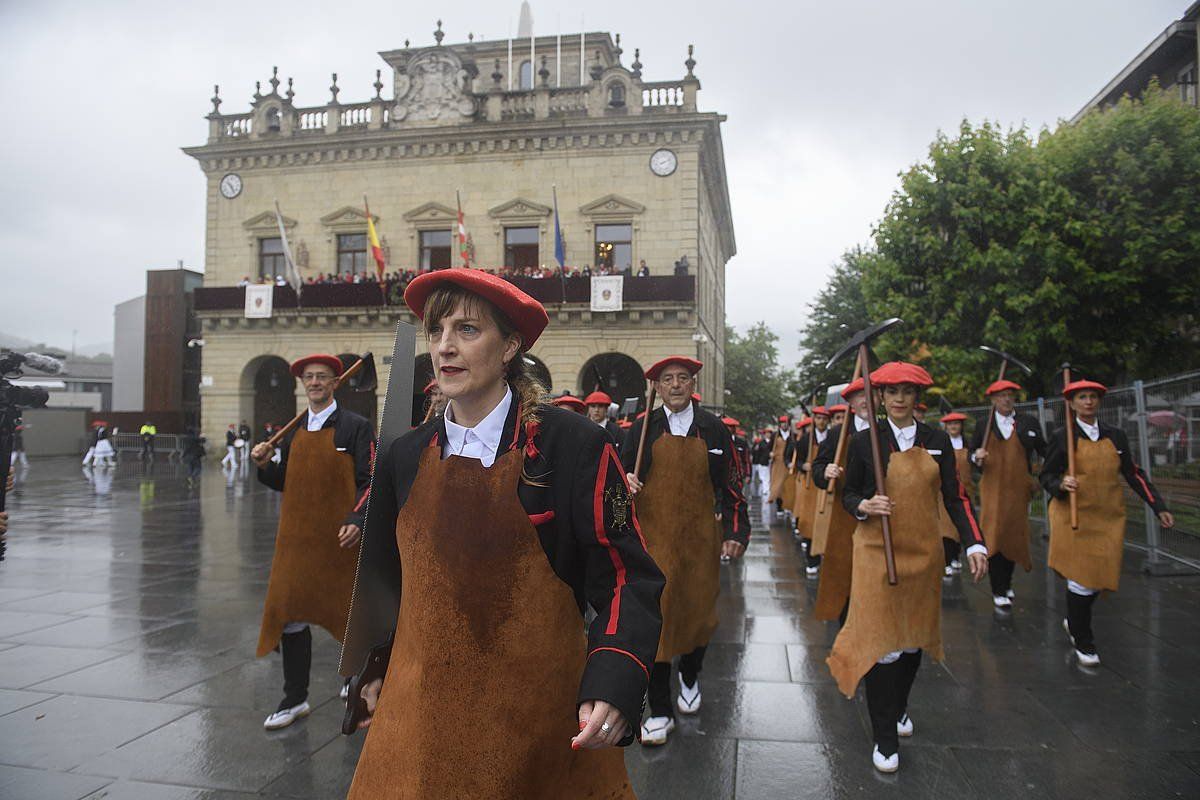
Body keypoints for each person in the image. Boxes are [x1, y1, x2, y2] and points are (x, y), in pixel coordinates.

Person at [344, 269, 662, 798]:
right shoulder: (403, 454)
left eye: (467, 330)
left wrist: (613, 680)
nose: (446, 347)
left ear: (511, 344)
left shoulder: (575, 446)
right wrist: (373, 668)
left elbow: (626, 575)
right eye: (436, 330)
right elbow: (387, 577)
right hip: (422, 707)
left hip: (536, 712)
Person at [826, 362, 988, 774]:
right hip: (876, 552)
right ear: (880, 398)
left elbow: (956, 497)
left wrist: (975, 542)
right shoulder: (866, 442)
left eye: (907, 392)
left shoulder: (937, 441)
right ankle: (884, 735)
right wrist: (863, 505)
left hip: (922, 553)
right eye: (892, 391)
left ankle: (898, 706)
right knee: (884, 643)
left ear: (918, 399)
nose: (899, 398)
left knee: (913, 641)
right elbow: (849, 494)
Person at [620, 356, 750, 746]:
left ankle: (691, 673)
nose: (675, 385)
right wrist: (624, 481)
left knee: (697, 612)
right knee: (656, 621)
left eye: (682, 379)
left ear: (694, 385)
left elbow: (732, 486)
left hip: (699, 541)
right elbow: (620, 479)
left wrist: (736, 532)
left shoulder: (713, 429)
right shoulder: (643, 429)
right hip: (654, 540)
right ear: (657, 388)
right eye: (667, 380)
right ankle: (660, 709)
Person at [249, 353, 375, 731]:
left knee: (347, 612)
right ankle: (294, 698)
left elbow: (371, 478)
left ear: (335, 383)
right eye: (309, 378)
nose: (315, 383)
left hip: (341, 541)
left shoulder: (356, 427)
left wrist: (356, 518)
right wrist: (263, 466)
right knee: (289, 613)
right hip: (298, 542)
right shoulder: (294, 430)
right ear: (303, 384)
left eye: (322, 377)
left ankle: (354, 679)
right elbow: (287, 481)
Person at [1040, 379, 1173, 668]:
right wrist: (1061, 482)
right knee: (1081, 577)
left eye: (1093, 397)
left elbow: (1133, 474)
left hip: (1107, 516)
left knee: (1099, 577)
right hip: (1072, 516)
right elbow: (1046, 476)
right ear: (1072, 403)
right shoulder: (1063, 436)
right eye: (1082, 397)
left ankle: (1074, 619)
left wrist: (1157, 506)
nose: (1088, 402)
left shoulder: (1116, 436)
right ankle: (1082, 638)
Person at [970, 380, 1047, 610]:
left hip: (1017, 490)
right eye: (1001, 395)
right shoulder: (984, 425)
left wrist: (1040, 479)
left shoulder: (1028, 423)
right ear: (993, 399)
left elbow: (1046, 451)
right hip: (992, 490)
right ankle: (998, 588)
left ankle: (1007, 581)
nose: (1006, 399)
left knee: (1013, 535)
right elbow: (971, 454)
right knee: (994, 535)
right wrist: (977, 456)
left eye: (1010, 395)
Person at [811, 379, 872, 624]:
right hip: (843, 516)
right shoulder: (838, 433)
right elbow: (817, 467)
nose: (866, 400)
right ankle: (846, 621)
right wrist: (825, 472)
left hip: (876, 514)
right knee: (844, 570)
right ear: (851, 403)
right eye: (859, 396)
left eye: (870, 394)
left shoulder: (885, 431)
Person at [938, 412, 973, 576]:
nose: (953, 427)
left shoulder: (968, 445)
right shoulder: (942, 444)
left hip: (965, 488)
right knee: (946, 527)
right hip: (946, 490)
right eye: (950, 424)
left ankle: (956, 556)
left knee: (960, 525)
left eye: (956, 424)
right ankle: (947, 559)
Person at [767, 416, 791, 513]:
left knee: (788, 485)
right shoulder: (775, 435)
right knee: (778, 485)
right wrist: (770, 453)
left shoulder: (792, 435)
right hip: (777, 463)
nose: (784, 425)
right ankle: (779, 505)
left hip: (788, 463)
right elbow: (768, 448)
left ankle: (788, 505)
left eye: (786, 423)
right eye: (782, 423)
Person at [750, 430, 772, 498]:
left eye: (769, 433)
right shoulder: (761, 443)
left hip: (770, 462)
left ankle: (767, 490)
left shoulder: (772, 442)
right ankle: (765, 490)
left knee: (768, 477)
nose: (768, 435)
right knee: (763, 478)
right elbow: (757, 452)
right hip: (762, 462)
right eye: (767, 433)